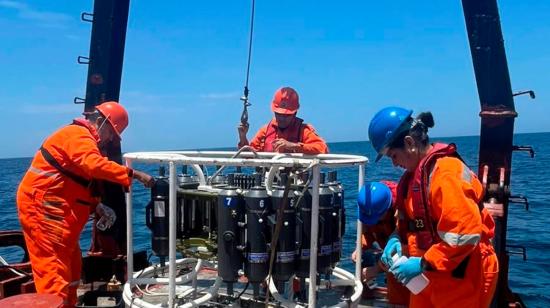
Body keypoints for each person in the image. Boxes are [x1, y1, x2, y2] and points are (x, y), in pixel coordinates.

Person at [16, 101, 154, 307]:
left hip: (57, 212)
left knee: (72, 270)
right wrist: (134, 174)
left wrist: (95, 206)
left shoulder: (81, 140)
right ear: (100, 122)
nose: (110, 140)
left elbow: (72, 181)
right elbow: (93, 165)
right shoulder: (77, 135)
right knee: (54, 273)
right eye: (111, 134)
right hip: (44, 212)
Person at [367, 106, 498, 308]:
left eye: (393, 155)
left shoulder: (446, 173)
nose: (394, 164)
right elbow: (409, 222)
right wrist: (395, 237)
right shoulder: (411, 180)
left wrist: (423, 263)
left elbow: (463, 235)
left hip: (463, 274)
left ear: (409, 143)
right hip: (430, 274)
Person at [352, 181, 410, 306]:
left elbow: (404, 248)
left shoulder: (403, 207)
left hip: (403, 251)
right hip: (385, 244)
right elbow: (366, 232)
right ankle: (367, 293)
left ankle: (399, 301)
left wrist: (376, 269)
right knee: (363, 256)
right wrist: (359, 248)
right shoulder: (369, 204)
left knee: (396, 272)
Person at [237, 86, 328, 154]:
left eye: (286, 116)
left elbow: (322, 148)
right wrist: (243, 137)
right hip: (268, 177)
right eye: (279, 114)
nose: (282, 119)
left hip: (295, 178)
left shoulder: (303, 131)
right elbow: (248, 155)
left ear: (294, 114)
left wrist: (294, 146)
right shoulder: (265, 131)